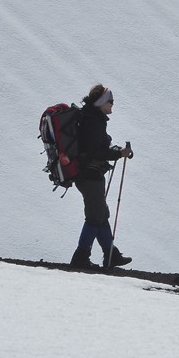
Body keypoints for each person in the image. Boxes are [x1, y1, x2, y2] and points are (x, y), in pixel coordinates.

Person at [69, 84, 134, 269]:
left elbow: (94, 149)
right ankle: (81, 257)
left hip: (87, 173)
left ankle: (111, 254)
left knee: (101, 214)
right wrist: (117, 153)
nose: (113, 104)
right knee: (95, 216)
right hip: (90, 174)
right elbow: (96, 151)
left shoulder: (91, 118)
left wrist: (116, 151)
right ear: (102, 102)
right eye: (110, 101)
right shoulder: (93, 121)